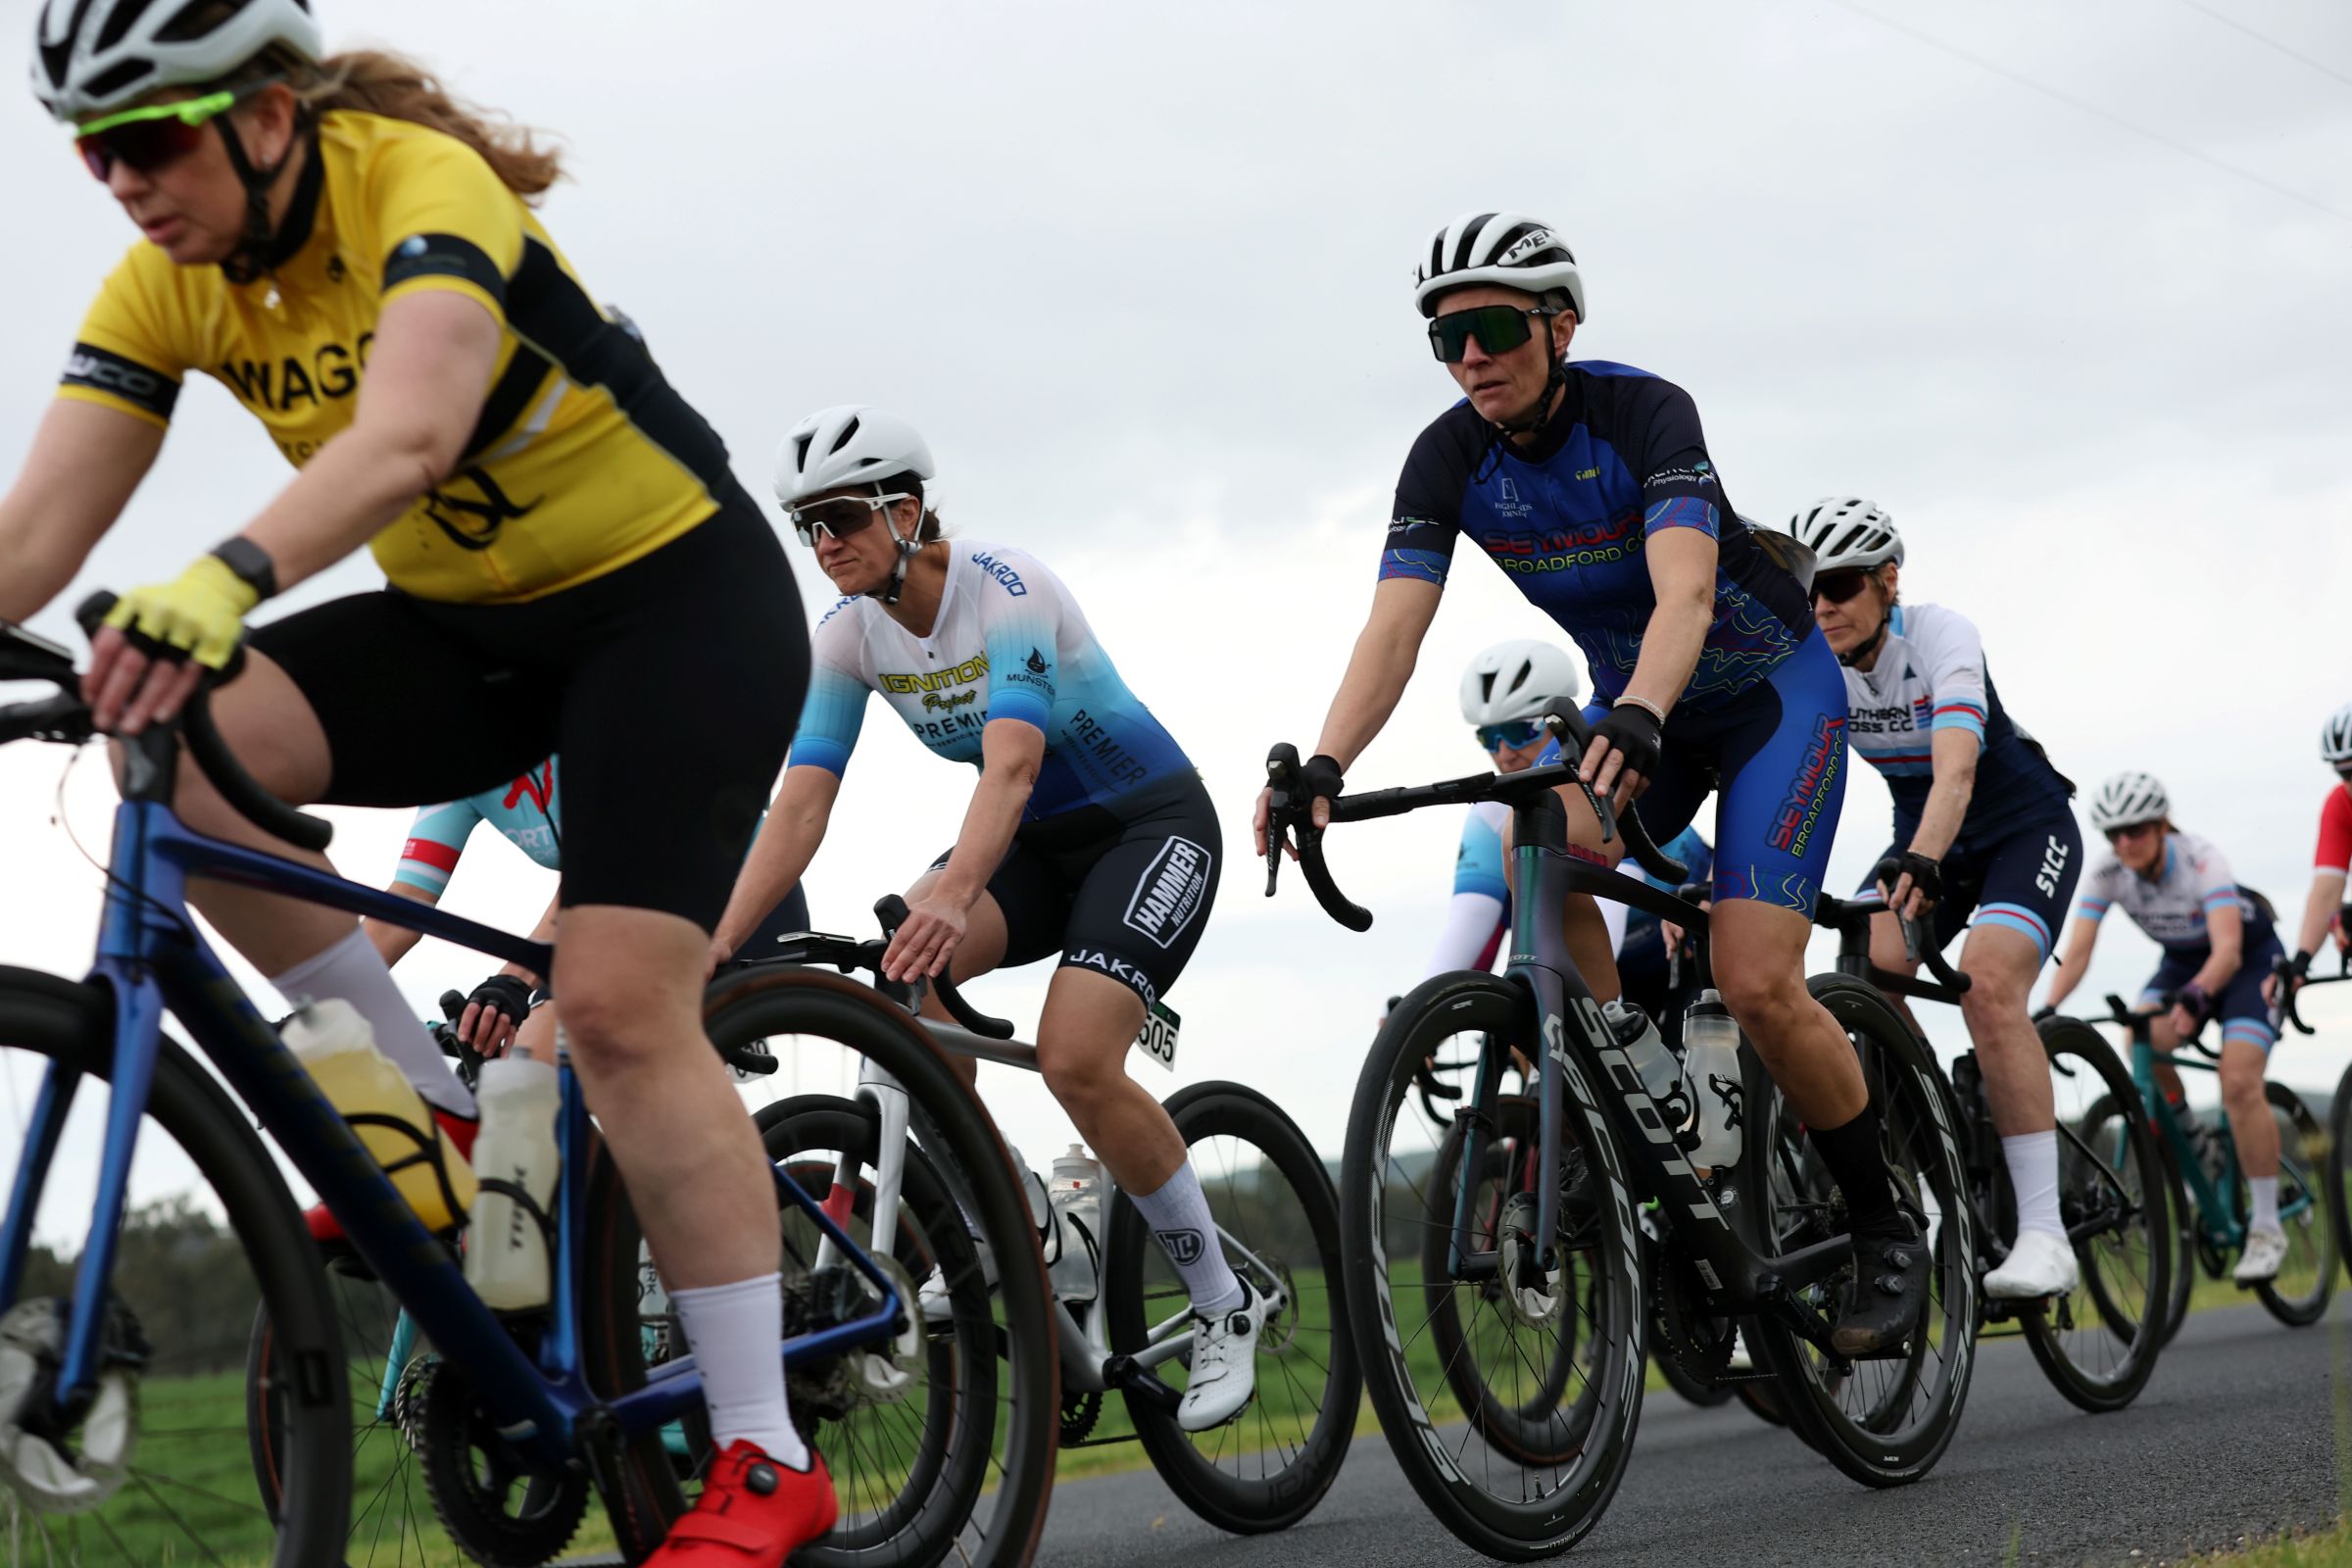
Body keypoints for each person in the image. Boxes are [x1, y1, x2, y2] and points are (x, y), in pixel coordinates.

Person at [6, 4, 832, 1556]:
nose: (120, 183)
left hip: (674, 605)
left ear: (263, 115)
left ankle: (766, 1451)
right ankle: (436, 1125)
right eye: (90, 154)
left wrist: (224, 575)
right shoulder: (165, 281)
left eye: (146, 139)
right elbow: (33, 540)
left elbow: (412, 434)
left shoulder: (419, 185)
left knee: (609, 1003)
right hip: (476, 630)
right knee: (176, 765)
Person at [1255, 210, 1927, 1354]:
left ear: (1560, 325)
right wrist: (1324, 764)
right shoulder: (1448, 457)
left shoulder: (1645, 415)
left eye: (1492, 326)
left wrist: (1644, 711)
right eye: (1444, 335)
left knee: (1756, 976)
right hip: (1638, 712)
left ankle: (1884, 1223)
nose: (1469, 355)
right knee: (1544, 854)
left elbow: (1689, 596)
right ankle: (1643, 1087)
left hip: (1764, 701)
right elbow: (1394, 630)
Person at [712, 406, 1261, 1431]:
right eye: (807, 527)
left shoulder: (1007, 587)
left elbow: (1012, 765)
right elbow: (802, 804)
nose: (824, 542)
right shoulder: (844, 636)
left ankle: (1223, 1304)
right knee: (905, 986)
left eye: (838, 516)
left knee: (1076, 1057)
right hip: (1033, 849)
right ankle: (1011, 1214)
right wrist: (720, 936)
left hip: (1145, 826)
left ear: (905, 509)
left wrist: (954, 892)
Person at [1793, 497, 2083, 1299]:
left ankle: (2046, 1234)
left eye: (1843, 585)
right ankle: (1930, 1157)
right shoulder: (1812, 663)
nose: (1824, 607)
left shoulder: (1941, 635)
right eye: (1810, 591)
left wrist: (1921, 856)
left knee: (1989, 985)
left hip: (2020, 827)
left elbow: (1956, 770)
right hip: (1923, 839)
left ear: (1889, 581)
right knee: (1862, 976)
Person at [366, 755, 812, 1060]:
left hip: (735, 895)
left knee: (586, 1061)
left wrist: (511, 981)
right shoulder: (458, 777)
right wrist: (314, 1006)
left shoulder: (579, 730)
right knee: (526, 1067)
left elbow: (602, 867)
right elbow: (403, 907)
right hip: (627, 913)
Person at [2043, 773, 2290, 1282]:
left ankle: (2267, 1225)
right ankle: (2198, 1145)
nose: (2124, 843)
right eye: (2114, 834)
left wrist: (2199, 996)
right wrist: (2045, 1008)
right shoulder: (2109, 873)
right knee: (2139, 1040)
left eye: (2135, 830)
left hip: (2247, 963)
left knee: (2238, 1079)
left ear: (2160, 825)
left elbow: (2228, 951)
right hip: (2181, 964)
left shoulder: (2201, 858)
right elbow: (2079, 953)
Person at [2274, 703, 2352, 1002]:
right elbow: (2325, 892)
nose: (2351, 783)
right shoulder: (2341, 803)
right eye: (2344, 772)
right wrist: (2302, 961)